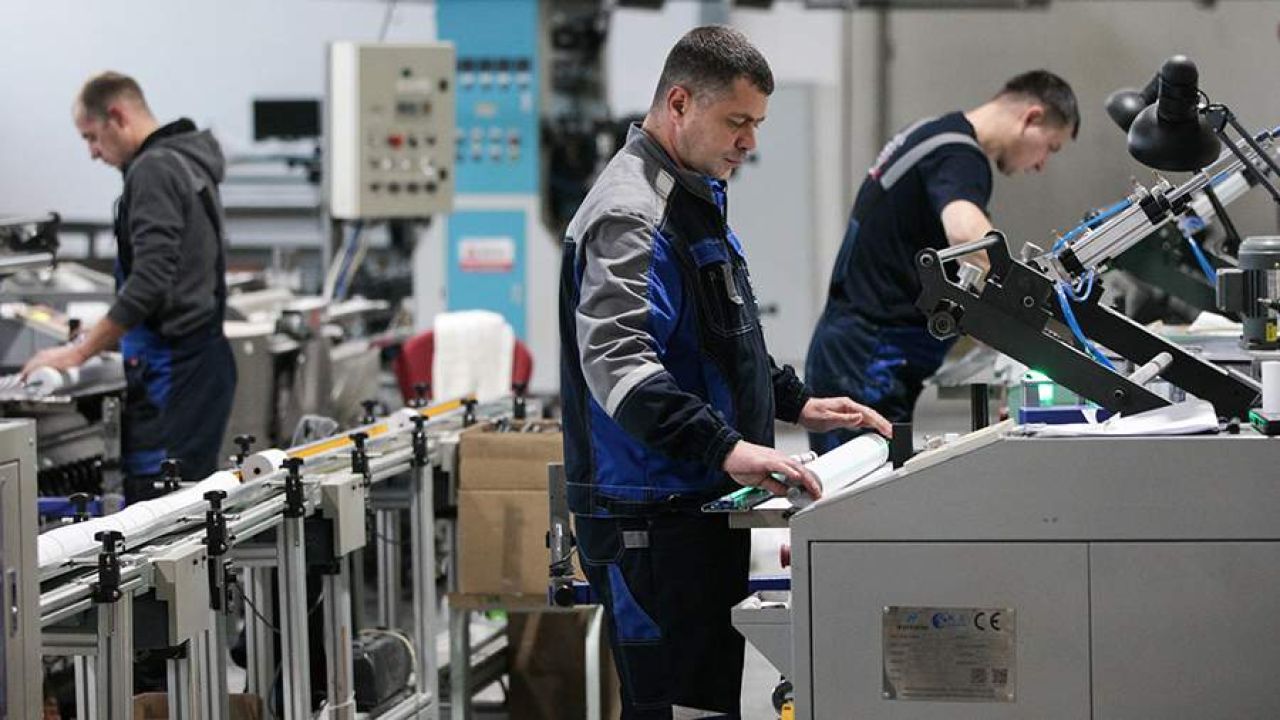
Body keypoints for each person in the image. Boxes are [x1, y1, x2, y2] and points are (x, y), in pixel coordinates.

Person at [559, 26, 890, 718]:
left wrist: (797, 403)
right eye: (738, 121)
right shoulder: (631, 214)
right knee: (676, 709)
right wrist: (727, 446)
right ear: (680, 103)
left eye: (758, 124)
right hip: (648, 519)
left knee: (706, 705)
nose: (749, 142)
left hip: (693, 502)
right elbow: (620, 367)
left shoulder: (692, 196)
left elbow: (715, 338)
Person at [805, 70, 1079, 452]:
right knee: (863, 484)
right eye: (1050, 146)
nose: (1041, 164)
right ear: (1031, 117)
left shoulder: (931, 133)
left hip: (855, 349)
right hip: (870, 360)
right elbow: (966, 234)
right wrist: (1021, 322)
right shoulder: (959, 155)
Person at [24, 71, 236, 502]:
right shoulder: (186, 159)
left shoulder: (154, 169)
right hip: (196, 367)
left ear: (117, 117)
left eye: (91, 137)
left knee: (163, 518)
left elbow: (151, 281)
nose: (92, 152)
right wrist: (102, 334)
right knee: (187, 513)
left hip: (173, 378)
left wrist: (77, 353)